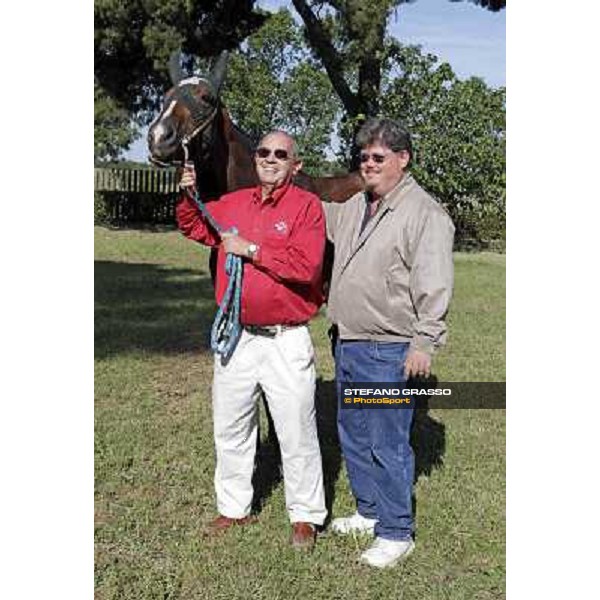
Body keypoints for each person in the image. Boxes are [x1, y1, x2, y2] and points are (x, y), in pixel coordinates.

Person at [176, 130, 327, 550]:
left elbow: (306, 266)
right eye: (264, 152)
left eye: (281, 154)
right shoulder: (234, 203)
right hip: (237, 337)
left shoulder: (306, 207)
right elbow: (194, 226)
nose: (271, 159)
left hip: (285, 339)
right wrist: (188, 195)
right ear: (256, 158)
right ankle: (234, 508)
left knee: (295, 429)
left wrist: (252, 249)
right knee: (231, 425)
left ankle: (305, 516)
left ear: (295, 165)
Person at [325, 117, 455, 568]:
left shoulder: (425, 214)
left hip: (389, 348)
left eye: (379, 157)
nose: (369, 164)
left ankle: (397, 531)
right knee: (355, 434)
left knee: (387, 440)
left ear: (403, 159)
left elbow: (434, 285)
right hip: (349, 342)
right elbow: (307, 214)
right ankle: (369, 511)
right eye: (363, 158)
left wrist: (424, 343)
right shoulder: (355, 206)